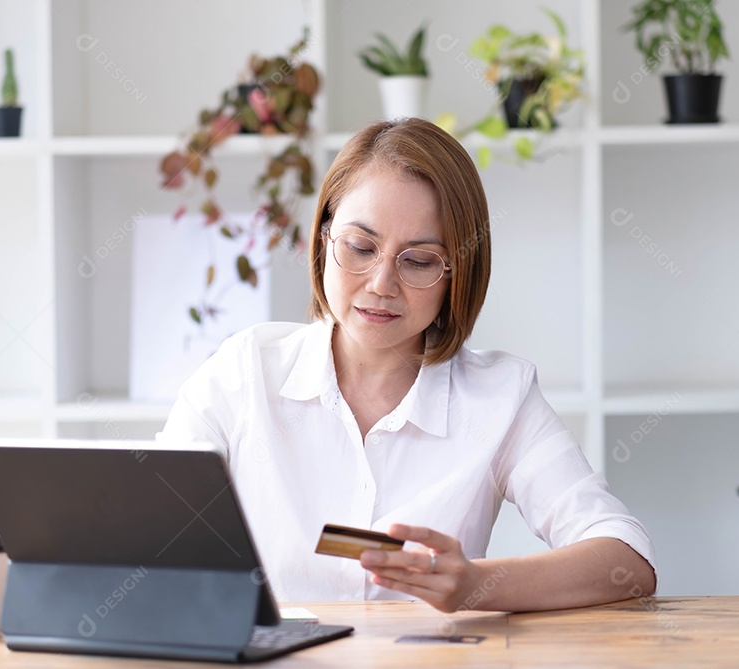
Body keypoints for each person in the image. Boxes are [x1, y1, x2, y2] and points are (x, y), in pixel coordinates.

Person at [157, 117, 656, 613]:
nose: (381, 283)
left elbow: (626, 560)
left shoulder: (500, 396)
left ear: (456, 273)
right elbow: (145, 531)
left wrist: (476, 584)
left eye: (417, 260)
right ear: (325, 239)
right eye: (360, 247)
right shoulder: (245, 371)